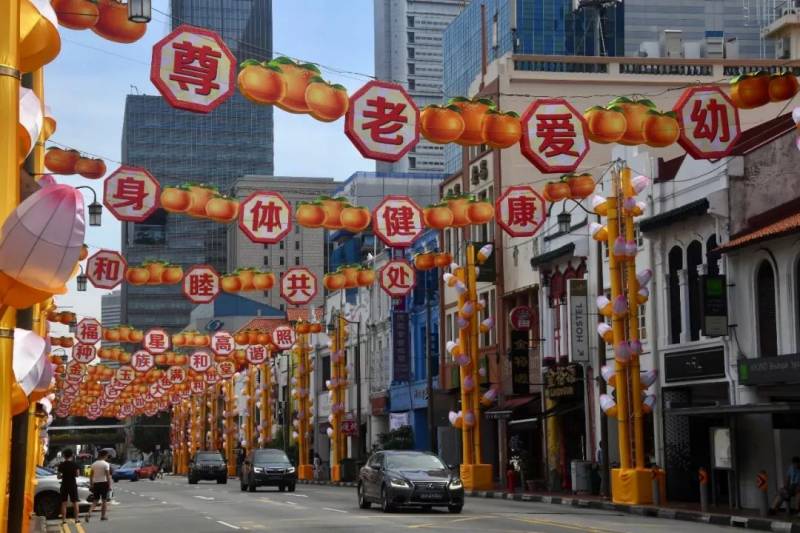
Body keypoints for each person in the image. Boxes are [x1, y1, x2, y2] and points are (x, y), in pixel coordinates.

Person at [86, 449, 112, 522]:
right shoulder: (106, 464)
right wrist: (109, 485)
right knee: (104, 500)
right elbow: (107, 476)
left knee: (95, 500)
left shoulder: (94, 464)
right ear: (105, 455)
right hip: (104, 483)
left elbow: (91, 476)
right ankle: (103, 516)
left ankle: (89, 513)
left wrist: (91, 485)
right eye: (107, 456)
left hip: (96, 484)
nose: (107, 457)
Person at [57, 449, 80, 524]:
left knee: (64, 502)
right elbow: (77, 475)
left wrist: (63, 475)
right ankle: (76, 519)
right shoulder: (75, 464)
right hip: (72, 484)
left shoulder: (61, 465)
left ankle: (64, 520)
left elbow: (58, 477)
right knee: (75, 502)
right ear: (72, 455)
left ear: (64, 456)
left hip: (64, 484)